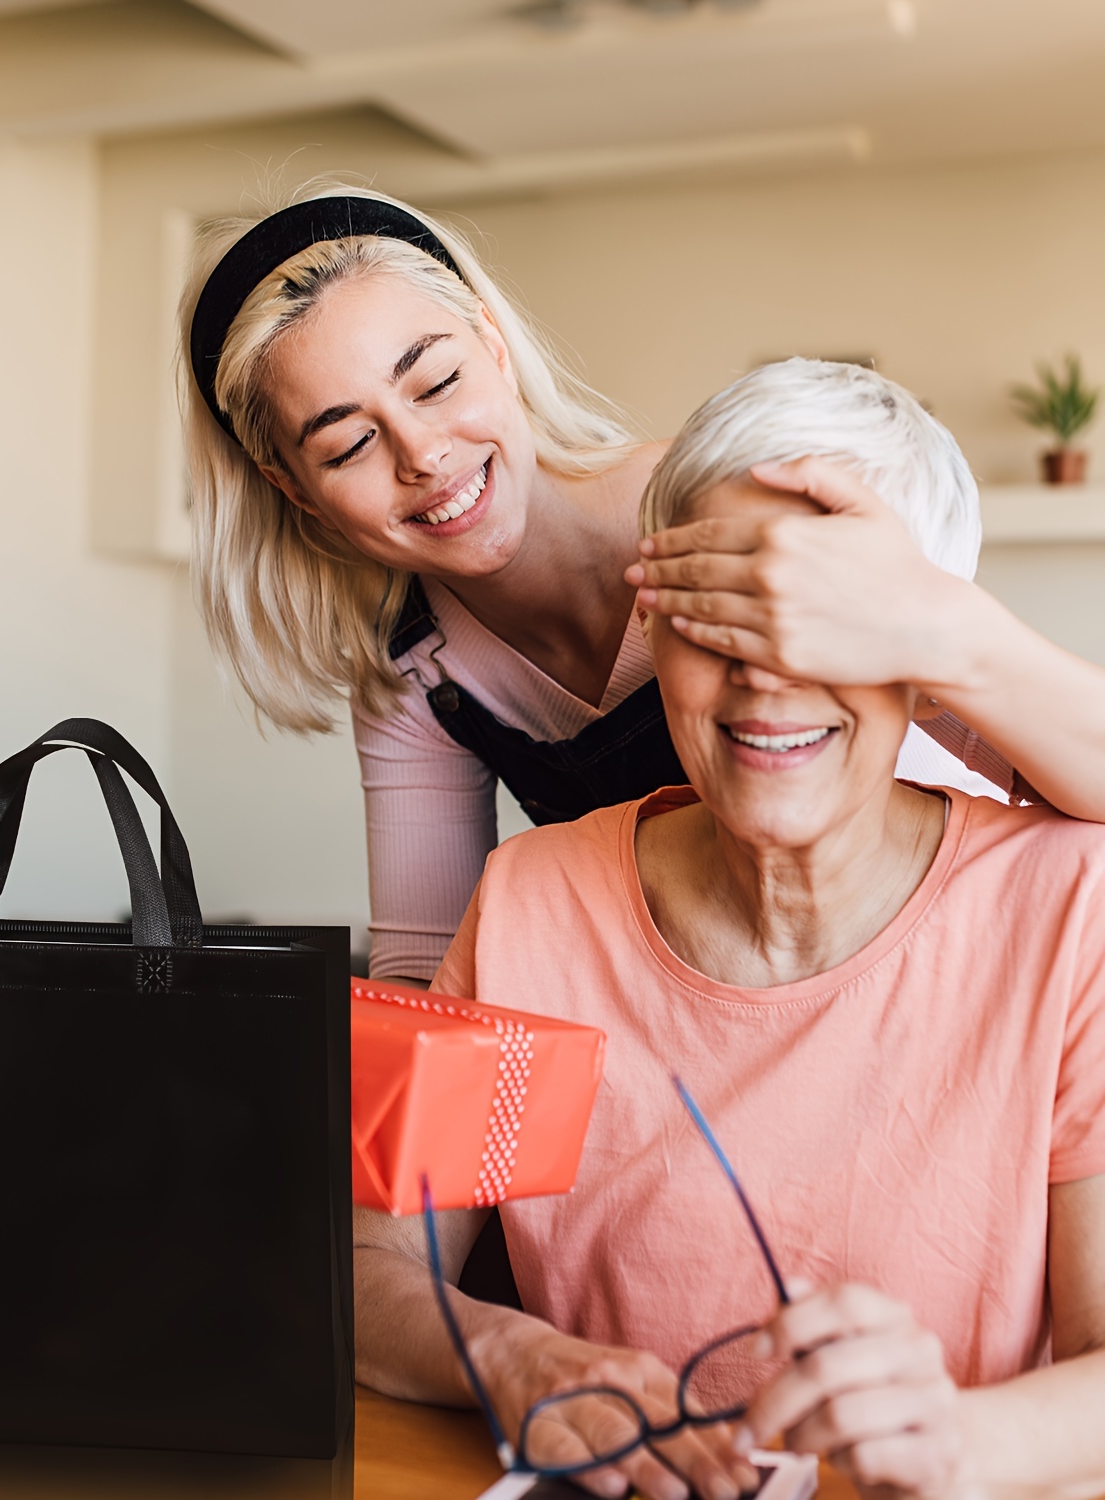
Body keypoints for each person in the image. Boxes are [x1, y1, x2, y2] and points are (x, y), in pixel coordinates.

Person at [353, 362, 1105, 1500]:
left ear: (929, 661)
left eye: (825, 628)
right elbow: (366, 1273)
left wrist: (960, 1442)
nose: (765, 680)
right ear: (655, 622)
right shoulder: (527, 903)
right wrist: (514, 1355)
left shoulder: (1069, 904)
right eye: (719, 616)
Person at [180, 183, 1105, 985]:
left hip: (939, 961)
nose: (423, 455)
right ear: (294, 489)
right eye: (348, 444)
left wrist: (930, 623)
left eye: (437, 382)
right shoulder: (420, 673)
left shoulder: (737, 512)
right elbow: (432, 972)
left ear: (494, 346)